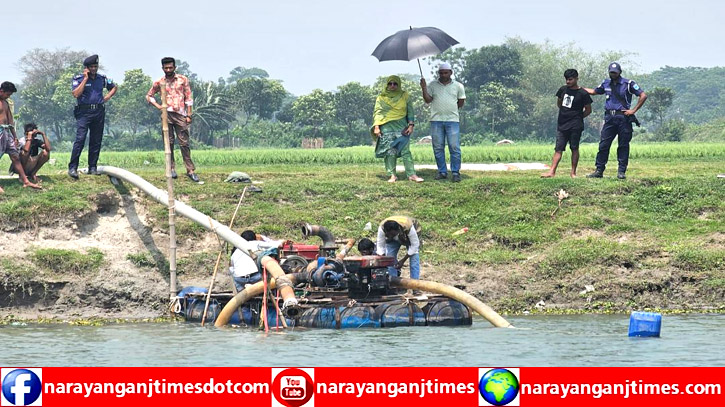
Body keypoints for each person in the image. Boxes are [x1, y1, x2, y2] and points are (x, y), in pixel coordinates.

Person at [584, 62, 647, 180]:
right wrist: (579, 88)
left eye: (615, 72)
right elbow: (594, 91)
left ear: (620, 72)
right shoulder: (605, 83)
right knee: (604, 144)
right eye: (611, 72)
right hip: (609, 118)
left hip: (623, 118)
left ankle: (621, 171)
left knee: (623, 145)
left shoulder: (628, 84)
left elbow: (643, 95)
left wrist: (633, 110)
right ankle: (599, 170)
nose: (613, 74)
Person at [146, 57, 200, 183]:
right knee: (168, 143)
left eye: (170, 67)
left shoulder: (182, 80)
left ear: (175, 67)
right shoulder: (159, 82)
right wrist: (159, 106)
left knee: (184, 143)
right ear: (163, 68)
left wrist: (189, 114)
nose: (168, 70)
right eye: (166, 68)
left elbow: (188, 97)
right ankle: (171, 168)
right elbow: (149, 95)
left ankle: (190, 170)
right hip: (167, 115)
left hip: (180, 114)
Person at [69, 55, 117, 179]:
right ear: (87, 68)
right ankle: (73, 167)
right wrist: (85, 79)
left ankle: (92, 167)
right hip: (84, 112)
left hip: (98, 111)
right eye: (91, 67)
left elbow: (114, 87)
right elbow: (75, 94)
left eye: (95, 66)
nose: (94, 69)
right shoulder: (78, 79)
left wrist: (107, 97)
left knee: (96, 140)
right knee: (80, 139)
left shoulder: (102, 79)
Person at [371, 75, 423, 183]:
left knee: (406, 151)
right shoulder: (381, 98)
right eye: (390, 83)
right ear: (387, 85)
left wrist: (411, 125)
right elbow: (378, 113)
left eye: (395, 84)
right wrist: (377, 127)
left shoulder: (404, 95)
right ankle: (392, 175)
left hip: (402, 128)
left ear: (399, 85)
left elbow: (410, 111)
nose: (392, 86)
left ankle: (412, 174)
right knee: (390, 151)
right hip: (386, 128)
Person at [541, 69, 592, 178]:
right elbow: (559, 103)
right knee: (558, 149)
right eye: (566, 79)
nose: (568, 82)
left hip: (576, 126)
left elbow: (588, 110)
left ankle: (573, 173)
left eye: (570, 79)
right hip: (562, 125)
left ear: (576, 79)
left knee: (574, 148)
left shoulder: (583, 93)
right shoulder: (562, 90)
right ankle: (551, 172)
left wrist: (578, 117)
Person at [420, 63, 466, 182]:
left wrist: (451, 110)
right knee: (438, 147)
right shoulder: (432, 85)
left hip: (452, 120)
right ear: (438, 73)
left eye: (446, 72)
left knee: (454, 147)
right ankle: (442, 171)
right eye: (441, 73)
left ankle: (455, 172)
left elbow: (461, 102)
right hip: (436, 121)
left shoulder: (458, 86)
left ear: (451, 72)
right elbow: (428, 100)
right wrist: (424, 88)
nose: (443, 75)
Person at [0, 82, 41, 192]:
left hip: (6, 132)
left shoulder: (5, 103)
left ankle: (26, 181)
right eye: (7, 94)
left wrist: (15, 136)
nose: (8, 97)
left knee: (15, 156)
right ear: (1, 91)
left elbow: (10, 121)